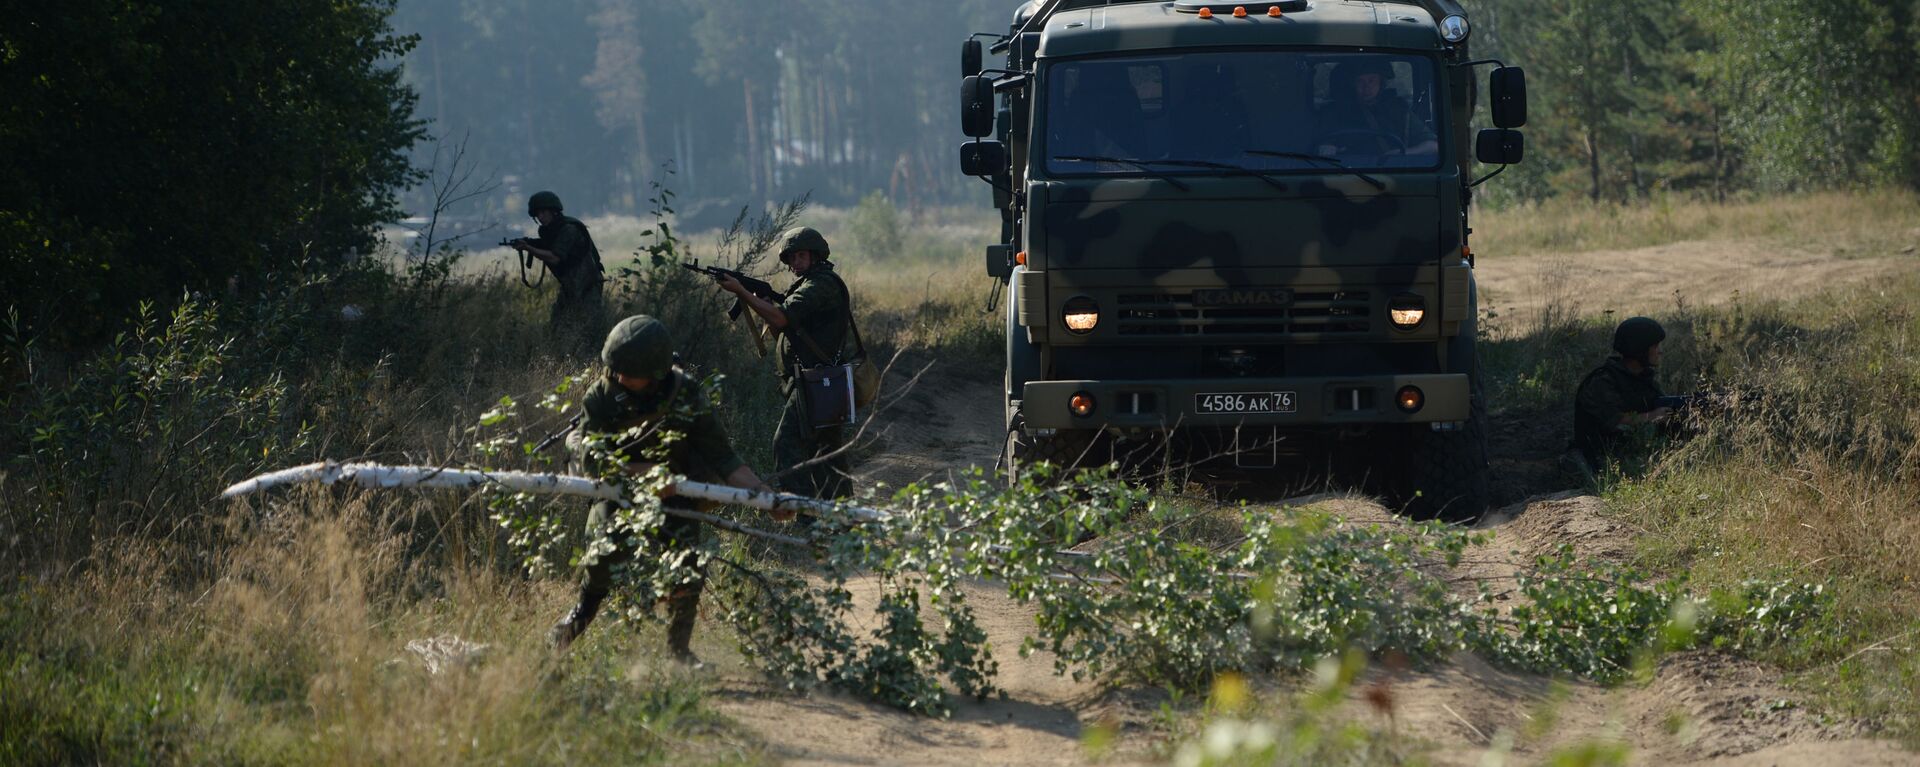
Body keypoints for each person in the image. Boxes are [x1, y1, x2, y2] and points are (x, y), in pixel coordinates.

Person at [549, 315, 781, 663]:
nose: (619, 376)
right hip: (619, 491)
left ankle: (678, 652)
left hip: (676, 493)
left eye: (629, 370)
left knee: (688, 565)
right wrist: (646, 474)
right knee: (601, 559)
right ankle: (574, 623)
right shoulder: (600, 396)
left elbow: (724, 459)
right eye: (615, 368)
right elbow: (596, 462)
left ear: (657, 372)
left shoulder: (685, 394)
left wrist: (766, 497)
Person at [717, 227, 854, 500]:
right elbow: (787, 331)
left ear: (815, 256)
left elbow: (780, 319)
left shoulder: (821, 284)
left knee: (787, 445)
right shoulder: (808, 284)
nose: (795, 262)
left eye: (801, 256)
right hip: (815, 381)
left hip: (816, 382)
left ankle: (804, 518)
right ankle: (842, 517)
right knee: (825, 454)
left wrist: (743, 292)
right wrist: (761, 304)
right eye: (791, 258)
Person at [1568, 316, 1673, 477]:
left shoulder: (1642, 378)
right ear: (1640, 349)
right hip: (1599, 459)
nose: (1660, 351)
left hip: (1630, 453)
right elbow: (1615, 421)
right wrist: (1653, 416)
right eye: (1655, 346)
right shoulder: (1602, 382)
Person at [508, 190, 607, 348]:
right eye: (537, 214)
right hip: (571, 289)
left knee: (590, 332)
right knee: (556, 329)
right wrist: (528, 244)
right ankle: (562, 359)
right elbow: (546, 245)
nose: (540, 217)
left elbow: (555, 257)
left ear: (553, 211)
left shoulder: (569, 229)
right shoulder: (551, 232)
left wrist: (529, 248)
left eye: (543, 212)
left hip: (588, 288)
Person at [1315, 60, 1439, 159]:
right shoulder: (1334, 112)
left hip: (1393, 175)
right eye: (1360, 81)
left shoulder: (1398, 110)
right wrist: (1326, 147)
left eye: (1371, 80)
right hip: (1342, 174)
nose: (1366, 87)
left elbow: (1433, 146)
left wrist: (1403, 154)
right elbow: (1315, 147)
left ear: (1381, 82)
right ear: (1352, 84)